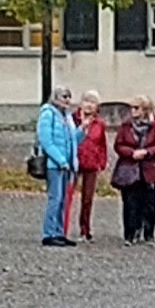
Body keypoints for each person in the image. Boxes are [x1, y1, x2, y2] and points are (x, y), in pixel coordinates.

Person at [113, 95, 155, 243]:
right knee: (130, 203)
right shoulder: (125, 126)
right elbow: (118, 144)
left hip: (150, 168)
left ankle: (149, 233)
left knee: (150, 203)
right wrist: (131, 153)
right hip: (130, 168)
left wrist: (147, 152)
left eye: (136, 108)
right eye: (131, 108)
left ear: (145, 110)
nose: (133, 111)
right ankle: (130, 233)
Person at [35, 86, 80, 246]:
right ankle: (49, 233)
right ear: (55, 98)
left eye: (69, 96)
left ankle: (59, 232)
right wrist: (60, 160)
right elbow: (46, 140)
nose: (67, 100)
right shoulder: (48, 114)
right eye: (64, 96)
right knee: (55, 198)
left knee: (63, 200)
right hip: (55, 165)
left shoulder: (67, 117)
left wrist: (82, 130)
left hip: (67, 165)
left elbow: (73, 140)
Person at [71, 91, 108, 241]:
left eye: (93, 102)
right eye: (86, 101)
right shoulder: (72, 119)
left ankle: (84, 230)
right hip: (74, 161)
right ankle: (61, 227)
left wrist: (101, 162)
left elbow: (102, 145)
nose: (89, 105)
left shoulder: (99, 124)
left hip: (91, 163)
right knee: (67, 195)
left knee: (87, 199)